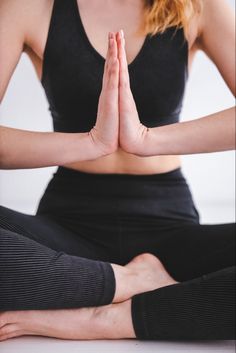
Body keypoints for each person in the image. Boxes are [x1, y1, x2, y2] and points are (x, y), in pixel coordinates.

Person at [0, 0, 235, 341]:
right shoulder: (28, 6)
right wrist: (91, 143)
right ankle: (130, 284)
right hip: (63, 233)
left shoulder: (199, 5)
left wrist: (146, 140)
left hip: (170, 236)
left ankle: (106, 316)